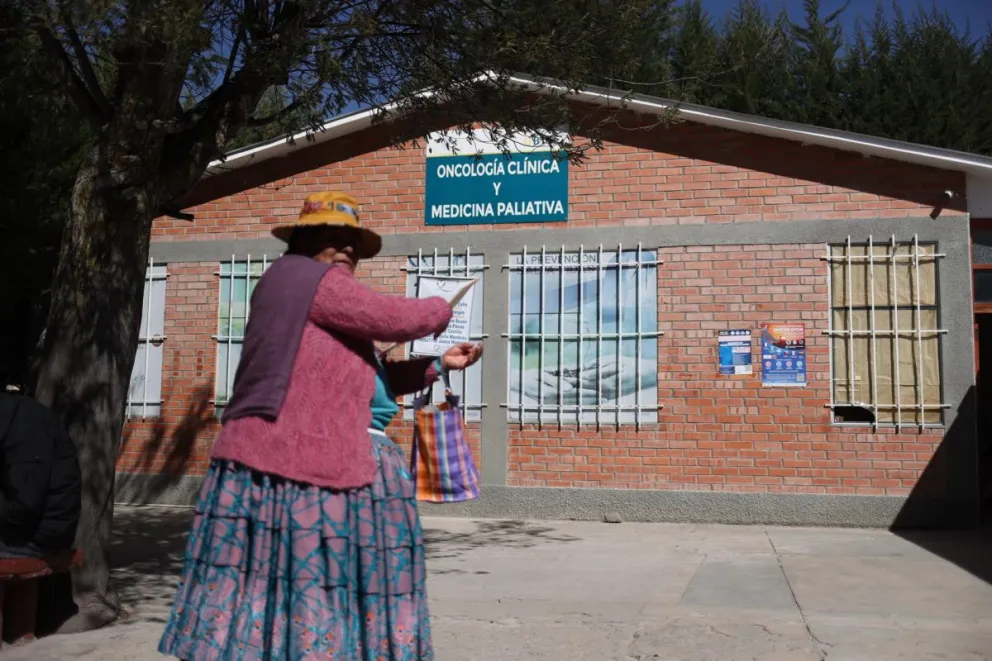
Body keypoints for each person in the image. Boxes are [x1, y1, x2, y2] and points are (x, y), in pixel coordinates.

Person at [159, 191, 482, 660]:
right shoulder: (300, 276)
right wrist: (440, 310)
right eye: (335, 237)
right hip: (297, 463)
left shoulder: (319, 302)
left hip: (339, 459)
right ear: (305, 241)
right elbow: (389, 317)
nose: (348, 249)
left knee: (331, 586)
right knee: (310, 584)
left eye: (355, 242)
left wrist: (438, 366)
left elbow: (371, 380)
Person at [0, 381, 82, 645]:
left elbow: (23, 506)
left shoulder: (24, 432)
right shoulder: (14, 421)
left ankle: (19, 636)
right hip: (29, 527)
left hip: (38, 534)